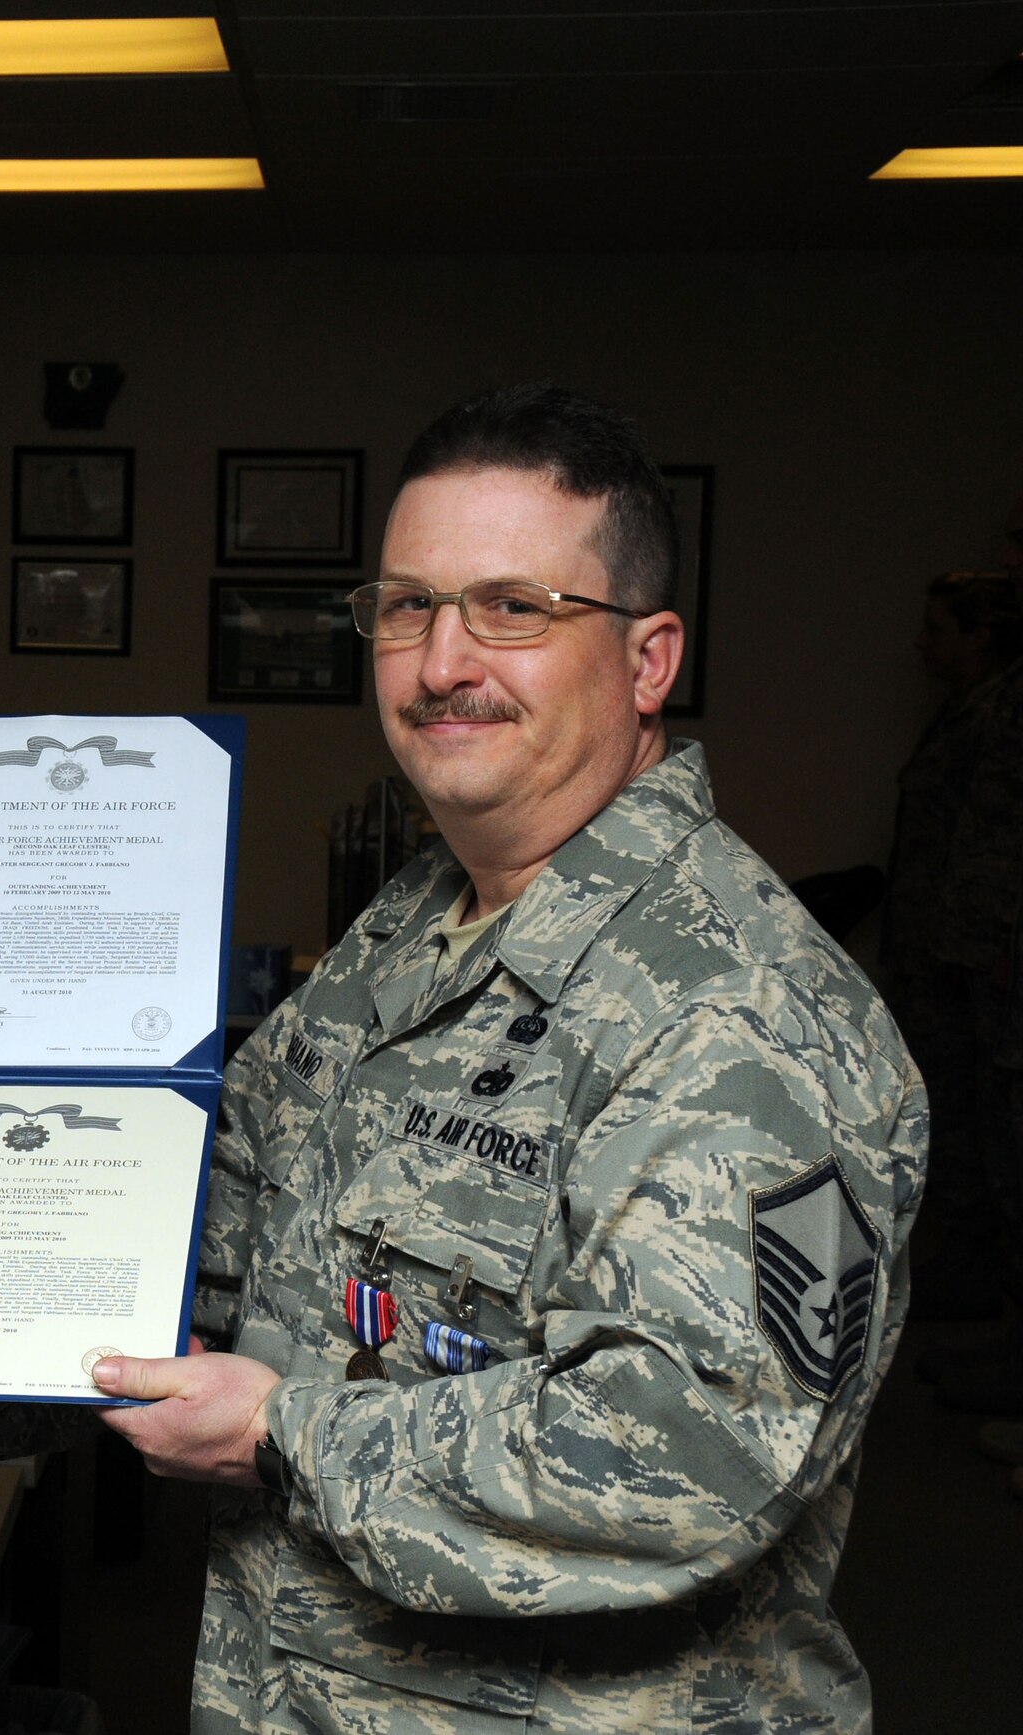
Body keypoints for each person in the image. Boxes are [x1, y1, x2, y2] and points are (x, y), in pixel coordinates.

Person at [88, 383, 924, 1731]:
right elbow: (225, 1241)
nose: (441, 661)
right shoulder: (407, 928)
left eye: (513, 608)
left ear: (648, 660)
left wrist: (278, 1430)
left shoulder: (742, 1016)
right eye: (408, 605)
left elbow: (684, 1454)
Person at [878, 571, 1021, 1325]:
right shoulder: (967, 709)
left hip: (983, 959)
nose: (921, 644)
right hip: (944, 949)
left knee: (991, 1127)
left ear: (982, 633)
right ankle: (975, 1286)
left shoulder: (1006, 712)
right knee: (957, 1118)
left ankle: (993, 1304)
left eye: (939, 628)